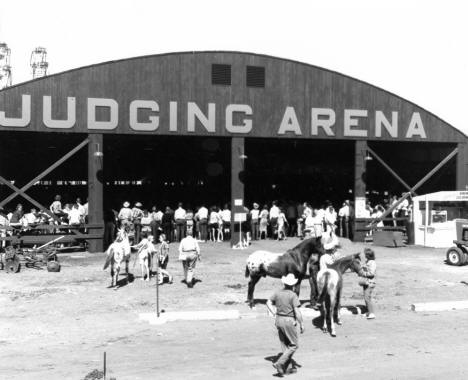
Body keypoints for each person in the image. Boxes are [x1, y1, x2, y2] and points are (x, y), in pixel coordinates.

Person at [266, 273, 304, 376]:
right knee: (294, 345)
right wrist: (301, 324)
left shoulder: (278, 293)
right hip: (289, 321)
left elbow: (268, 302)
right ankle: (279, 363)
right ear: (293, 284)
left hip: (278, 319)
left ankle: (287, 369)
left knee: (285, 344)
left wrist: (274, 313)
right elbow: (297, 312)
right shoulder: (293, 295)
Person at [360, 248, 377, 319]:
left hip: (370, 283)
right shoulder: (368, 261)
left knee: (367, 298)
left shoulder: (372, 262)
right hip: (366, 282)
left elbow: (372, 273)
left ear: (368, 255)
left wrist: (364, 273)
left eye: (365, 254)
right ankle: (369, 312)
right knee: (366, 298)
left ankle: (372, 313)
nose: (364, 256)